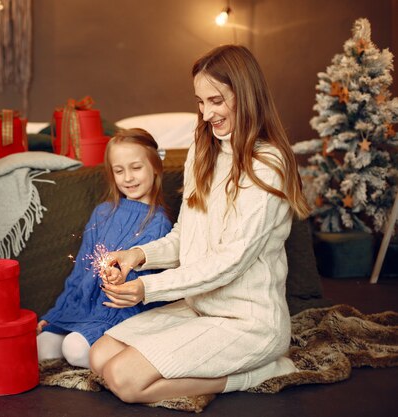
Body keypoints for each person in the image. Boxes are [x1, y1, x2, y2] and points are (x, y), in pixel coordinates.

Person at [89, 44, 311, 403]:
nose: (207, 113)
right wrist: (136, 255)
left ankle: (260, 371)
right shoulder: (203, 148)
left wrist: (148, 289)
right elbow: (185, 237)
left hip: (248, 323)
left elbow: (230, 262)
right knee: (99, 356)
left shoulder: (268, 164)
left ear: (245, 95)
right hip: (199, 307)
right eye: (200, 101)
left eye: (216, 100)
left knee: (124, 380)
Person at [37, 128, 173, 369]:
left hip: (122, 311)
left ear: (155, 166)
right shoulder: (102, 212)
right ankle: (83, 336)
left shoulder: (158, 223)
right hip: (85, 306)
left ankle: (126, 355)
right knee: (42, 348)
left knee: (74, 350)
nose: (128, 178)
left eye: (136, 168)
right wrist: (55, 313)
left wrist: (119, 278)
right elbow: (80, 272)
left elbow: (143, 287)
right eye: (119, 171)